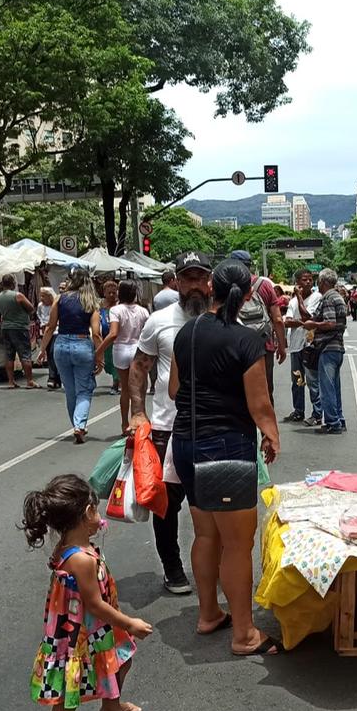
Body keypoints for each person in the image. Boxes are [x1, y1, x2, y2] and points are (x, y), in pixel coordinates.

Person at [169, 259, 282, 655]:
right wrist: (271, 435)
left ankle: (208, 614)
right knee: (237, 544)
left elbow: (173, 391)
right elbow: (260, 404)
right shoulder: (246, 339)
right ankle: (245, 634)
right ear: (249, 294)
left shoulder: (187, 332)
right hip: (226, 449)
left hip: (185, 443)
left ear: (212, 289)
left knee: (205, 534)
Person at [22, 474, 152, 711]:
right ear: (86, 514)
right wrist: (128, 622)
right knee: (73, 685)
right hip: (78, 632)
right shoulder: (80, 558)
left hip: (95, 629)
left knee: (121, 657)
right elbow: (93, 604)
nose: (100, 515)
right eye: (96, 509)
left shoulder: (76, 546)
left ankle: (111, 707)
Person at [128, 252, 211, 595]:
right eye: (186, 278)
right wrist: (137, 411)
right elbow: (138, 367)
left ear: (209, 282)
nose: (193, 285)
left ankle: (212, 566)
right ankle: (173, 568)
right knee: (167, 504)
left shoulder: (221, 321)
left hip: (212, 427)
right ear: (176, 281)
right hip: (168, 426)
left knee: (212, 502)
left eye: (199, 278)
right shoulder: (158, 321)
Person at [37, 268, 102, 444]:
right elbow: (96, 334)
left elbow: (50, 327)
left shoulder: (60, 299)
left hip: (61, 345)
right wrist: (100, 356)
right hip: (82, 345)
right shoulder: (91, 302)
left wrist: (43, 349)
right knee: (84, 390)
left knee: (70, 390)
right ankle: (79, 425)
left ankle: (77, 423)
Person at [229, 250, 287, 401]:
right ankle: (266, 423)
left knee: (236, 391)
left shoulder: (225, 285)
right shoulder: (264, 285)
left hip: (233, 345)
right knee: (265, 391)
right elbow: (278, 319)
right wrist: (281, 346)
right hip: (263, 345)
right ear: (250, 266)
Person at [302, 268, 348, 434]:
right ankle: (338, 419)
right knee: (334, 386)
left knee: (327, 387)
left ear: (323, 282)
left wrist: (313, 325)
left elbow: (330, 323)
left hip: (328, 347)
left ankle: (332, 422)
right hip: (336, 347)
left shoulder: (328, 298)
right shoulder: (338, 297)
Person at [282, 268, 323, 423]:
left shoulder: (317, 297)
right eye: (304, 280)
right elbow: (288, 322)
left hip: (310, 345)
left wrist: (299, 298)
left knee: (312, 381)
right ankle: (298, 410)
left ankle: (317, 413)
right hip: (295, 346)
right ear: (297, 282)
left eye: (310, 279)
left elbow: (308, 316)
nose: (307, 282)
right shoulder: (292, 302)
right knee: (297, 380)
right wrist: (301, 323)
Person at [110, 280, 149, 435]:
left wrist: (98, 351)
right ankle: (139, 419)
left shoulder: (116, 310)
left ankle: (124, 424)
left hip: (120, 349)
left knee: (125, 389)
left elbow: (113, 332)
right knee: (140, 389)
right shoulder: (143, 311)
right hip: (138, 349)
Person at [0, 275, 38, 389]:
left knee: (9, 356)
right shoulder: (18, 296)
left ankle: (10, 381)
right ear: (13, 283)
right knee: (25, 354)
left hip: (6, 327)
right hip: (19, 327)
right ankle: (29, 381)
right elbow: (30, 308)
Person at [98, 278, 122, 394]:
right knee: (108, 363)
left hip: (116, 339)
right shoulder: (100, 306)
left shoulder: (119, 306)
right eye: (109, 293)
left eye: (114, 292)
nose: (112, 295)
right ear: (104, 293)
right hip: (104, 337)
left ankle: (115, 384)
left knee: (115, 363)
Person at [36, 287, 61, 390]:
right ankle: (53, 377)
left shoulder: (56, 305)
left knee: (52, 352)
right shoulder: (40, 306)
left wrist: (49, 324)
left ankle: (55, 377)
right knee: (49, 354)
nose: (42, 298)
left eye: (44, 296)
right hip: (46, 332)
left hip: (56, 331)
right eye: (40, 295)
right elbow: (40, 316)